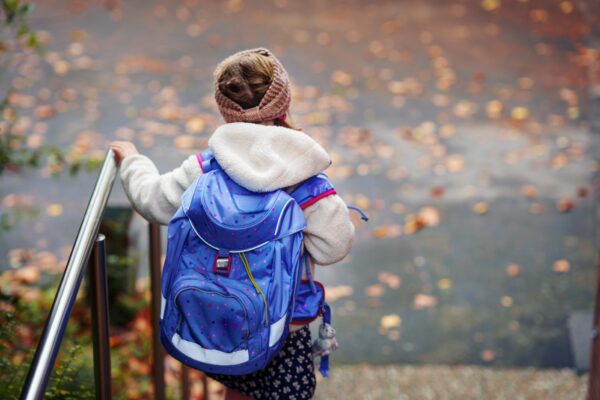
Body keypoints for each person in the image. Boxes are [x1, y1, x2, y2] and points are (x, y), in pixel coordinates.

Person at [110, 47, 355, 400]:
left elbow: (152, 199)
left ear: (225, 110)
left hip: (220, 319)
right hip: (282, 326)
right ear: (283, 103)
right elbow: (334, 247)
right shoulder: (305, 180)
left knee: (235, 389)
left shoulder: (205, 169)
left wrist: (132, 161)